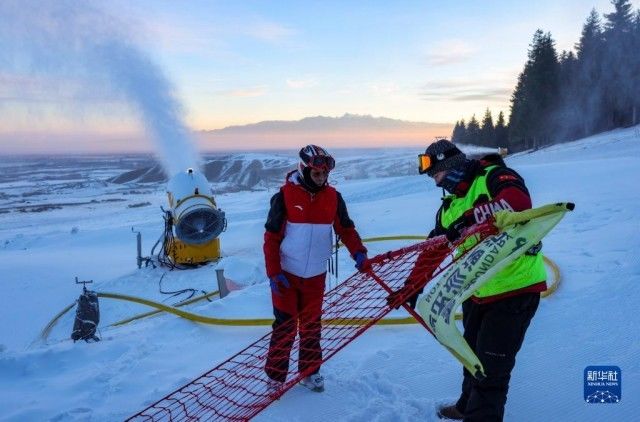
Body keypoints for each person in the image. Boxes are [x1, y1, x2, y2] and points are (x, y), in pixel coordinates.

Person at [393, 139, 546, 421]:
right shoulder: (448, 206)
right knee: (470, 358)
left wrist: (469, 219)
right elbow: (435, 248)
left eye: (436, 174)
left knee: (490, 371)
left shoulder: (495, 176)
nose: (437, 183)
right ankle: (466, 406)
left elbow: (518, 202)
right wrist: (412, 287)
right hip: (476, 292)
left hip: (515, 289)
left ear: (450, 165)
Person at [263, 144, 370, 393]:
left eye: (325, 174)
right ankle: (276, 377)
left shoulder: (333, 198)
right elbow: (271, 238)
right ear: (303, 170)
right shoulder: (284, 197)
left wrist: (359, 252)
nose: (321, 179)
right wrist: (274, 272)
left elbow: (346, 229)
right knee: (285, 326)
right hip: (286, 276)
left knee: (311, 325)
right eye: (316, 174)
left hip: (315, 276)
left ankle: (310, 372)